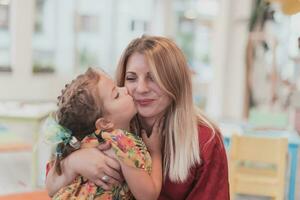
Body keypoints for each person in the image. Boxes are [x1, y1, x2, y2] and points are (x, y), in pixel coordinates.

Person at [46, 35, 230, 199]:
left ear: (175, 82)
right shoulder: (101, 128)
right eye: (132, 78)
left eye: (153, 78)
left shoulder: (206, 141)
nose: (140, 89)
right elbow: (52, 186)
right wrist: (73, 163)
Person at [45, 67, 162, 200]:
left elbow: (51, 188)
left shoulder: (80, 143)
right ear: (105, 123)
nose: (125, 90)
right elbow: (148, 196)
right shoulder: (122, 143)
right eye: (117, 95)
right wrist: (155, 152)